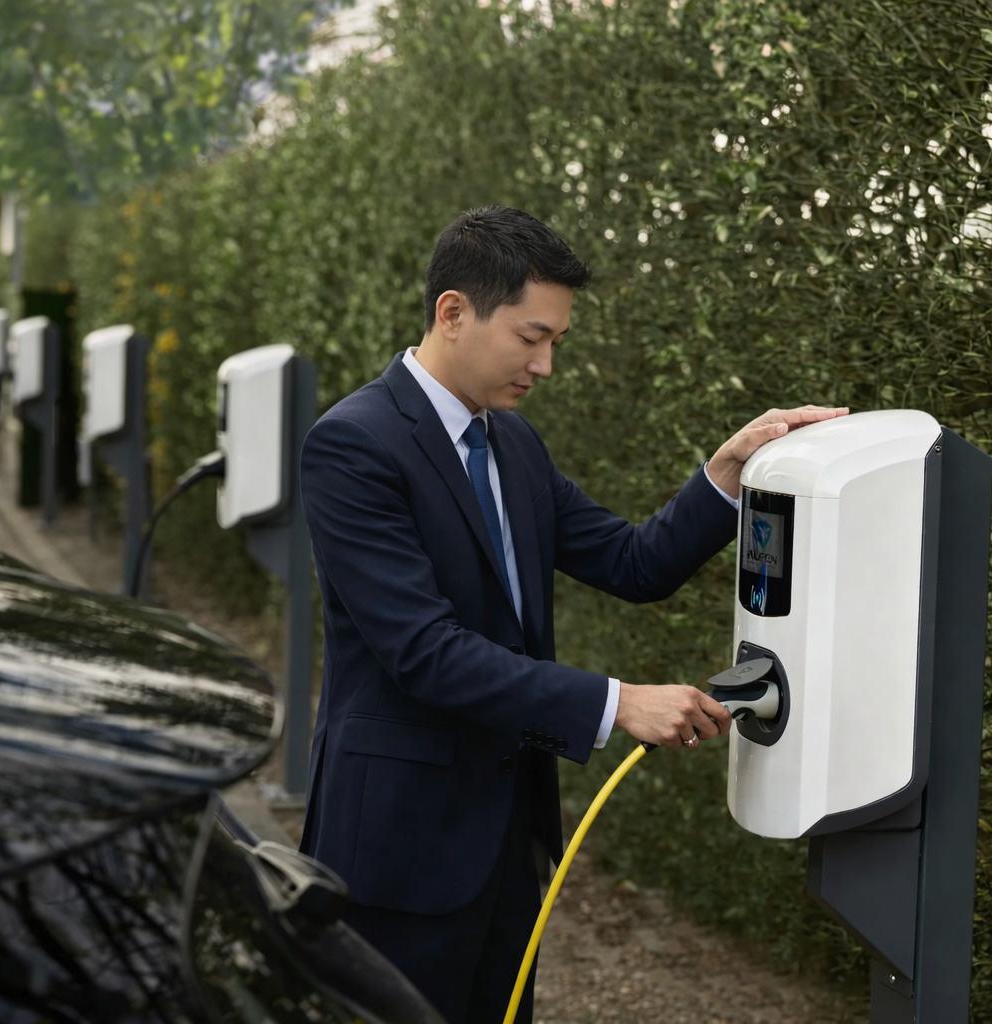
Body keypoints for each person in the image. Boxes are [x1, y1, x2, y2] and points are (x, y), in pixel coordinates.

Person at [298, 205, 846, 1023]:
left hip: (512, 844)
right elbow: (425, 652)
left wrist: (727, 473)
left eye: (555, 341)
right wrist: (617, 702)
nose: (546, 364)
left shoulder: (514, 445)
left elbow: (634, 563)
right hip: (397, 852)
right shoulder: (352, 445)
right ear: (453, 313)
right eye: (532, 337)